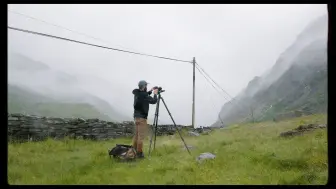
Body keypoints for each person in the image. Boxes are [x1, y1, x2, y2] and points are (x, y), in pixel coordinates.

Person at [132, 80, 158, 158]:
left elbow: (144, 95)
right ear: (144, 87)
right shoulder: (144, 95)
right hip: (142, 118)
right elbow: (153, 101)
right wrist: (155, 94)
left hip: (136, 118)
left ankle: (133, 150)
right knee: (141, 137)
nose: (146, 87)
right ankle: (139, 154)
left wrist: (151, 90)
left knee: (136, 136)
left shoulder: (137, 94)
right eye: (146, 86)